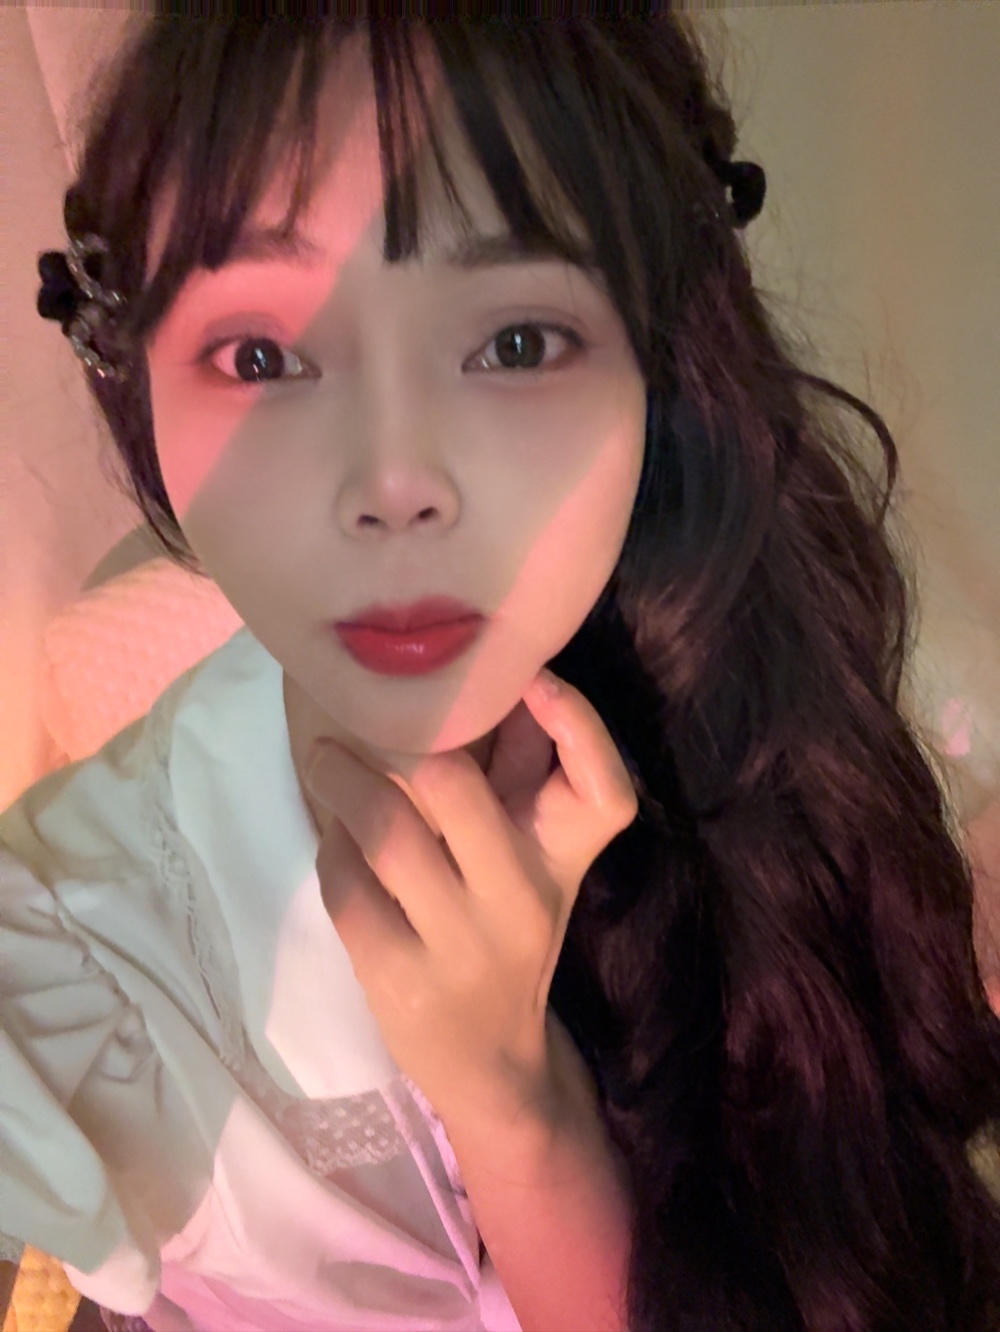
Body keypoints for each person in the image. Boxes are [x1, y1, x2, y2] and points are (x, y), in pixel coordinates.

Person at [4, 8, 999, 1332]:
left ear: (655, 355)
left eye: (515, 343)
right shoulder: (73, 949)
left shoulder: (790, 691)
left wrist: (511, 1102)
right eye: (262, 357)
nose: (395, 483)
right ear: (136, 382)